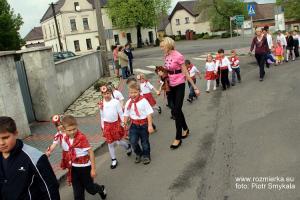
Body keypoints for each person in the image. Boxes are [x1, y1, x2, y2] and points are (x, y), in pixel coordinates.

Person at [0, 116, 60, 200]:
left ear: (16, 133)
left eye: (5, 137)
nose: (1, 143)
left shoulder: (35, 157)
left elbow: (50, 188)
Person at [160, 37, 200, 149]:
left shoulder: (178, 56)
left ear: (168, 45)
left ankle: (178, 138)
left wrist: (195, 87)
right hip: (170, 85)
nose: (161, 48)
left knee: (176, 111)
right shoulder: (166, 55)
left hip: (179, 85)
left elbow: (186, 73)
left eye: (162, 46)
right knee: (175, 109)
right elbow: (167, 70)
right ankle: (186, 128)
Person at [60, 115, 107, 200]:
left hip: (85, 167)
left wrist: (93, 169)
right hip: (74, 168)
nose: (72, 132)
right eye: (69, 130)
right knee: (78, 194)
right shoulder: (65, 137)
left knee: (90, 189)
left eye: (74, 129)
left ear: (77, 126)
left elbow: (91, 152)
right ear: (64, 129)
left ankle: (101, 189)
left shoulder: (81, 138)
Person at [98, 85, 132, 169]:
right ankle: (113, 160)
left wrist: (123, 123)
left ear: (111, 93)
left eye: (108, 93)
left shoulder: (115, 102)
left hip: (115, 124)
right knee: (110, 143)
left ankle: (127, 146)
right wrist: (102, 126)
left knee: (118, 142)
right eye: (104, 94)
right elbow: (102, 115)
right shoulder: (101, 103)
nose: (106, 95)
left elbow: (120, 113)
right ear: (102, 94)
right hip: (106, 125)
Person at [123, 83, 154, 165]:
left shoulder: (144, 101)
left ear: (139, 92)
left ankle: (146, 155)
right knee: (132, 141)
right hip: (134, 125)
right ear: (129, 93)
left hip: (144, 125)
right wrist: (124, 124)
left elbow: (149, 114)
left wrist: (150, 125)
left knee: (144, 142)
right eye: (131, 93)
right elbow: (126, 114)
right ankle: (139, 153)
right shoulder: (128, 102)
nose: (133, 94)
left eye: (135, 92)